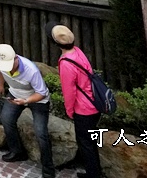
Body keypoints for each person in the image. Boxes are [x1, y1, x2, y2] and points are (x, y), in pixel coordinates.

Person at [48, 24, 102, 178]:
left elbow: (69, 92)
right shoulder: (77, 52)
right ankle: (94, 172)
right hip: (94, 102)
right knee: (90, 142)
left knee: (86, 144)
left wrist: (70, 111)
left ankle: (93, 175)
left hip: (83, 109)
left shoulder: (66, 63)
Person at [0, 43, 55, 178]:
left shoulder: (31, 70)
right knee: (6, 119)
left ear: (16, 58)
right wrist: (1, 85)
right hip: (15, 94)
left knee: (40, 132)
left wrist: (26, 101)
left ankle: (48, 169)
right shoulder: (1, 59)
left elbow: (42, 93)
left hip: (37, 99)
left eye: (9, 65)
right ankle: (17, 152)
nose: (7, 68)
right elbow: (1, 71)